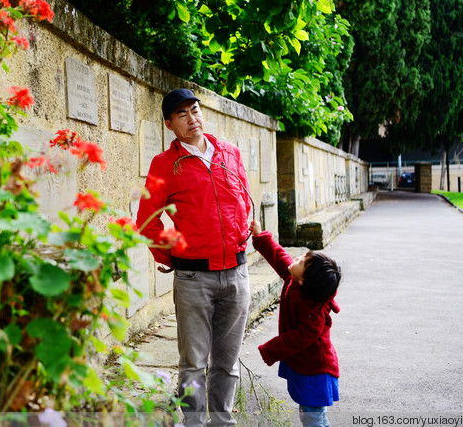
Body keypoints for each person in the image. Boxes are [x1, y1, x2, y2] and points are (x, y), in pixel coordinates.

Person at [136, 88, 253, 426]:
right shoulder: (164, 164)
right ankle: (194, 423)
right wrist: (172, 256)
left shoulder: (229, 153)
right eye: (182, 114)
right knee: (193, 363)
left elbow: (244, 200)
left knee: (227, 363)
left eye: (195, 110)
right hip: (193, 279)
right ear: (169, 124)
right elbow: (147, 221)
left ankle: (222, 422)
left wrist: (245, 225)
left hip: (236, 273)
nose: (192, 118)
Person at [250, 219, 342, 427]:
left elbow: (299, 337)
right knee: (309, 414)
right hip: (305, 366)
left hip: (316, 370)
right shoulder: (296, 280)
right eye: (302, 257)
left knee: (314, 417)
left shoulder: (314, 312)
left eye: (301, 261)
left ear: (304, 281)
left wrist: (272, 348)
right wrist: (260, 236)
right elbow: (279, 257)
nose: (297, 258)